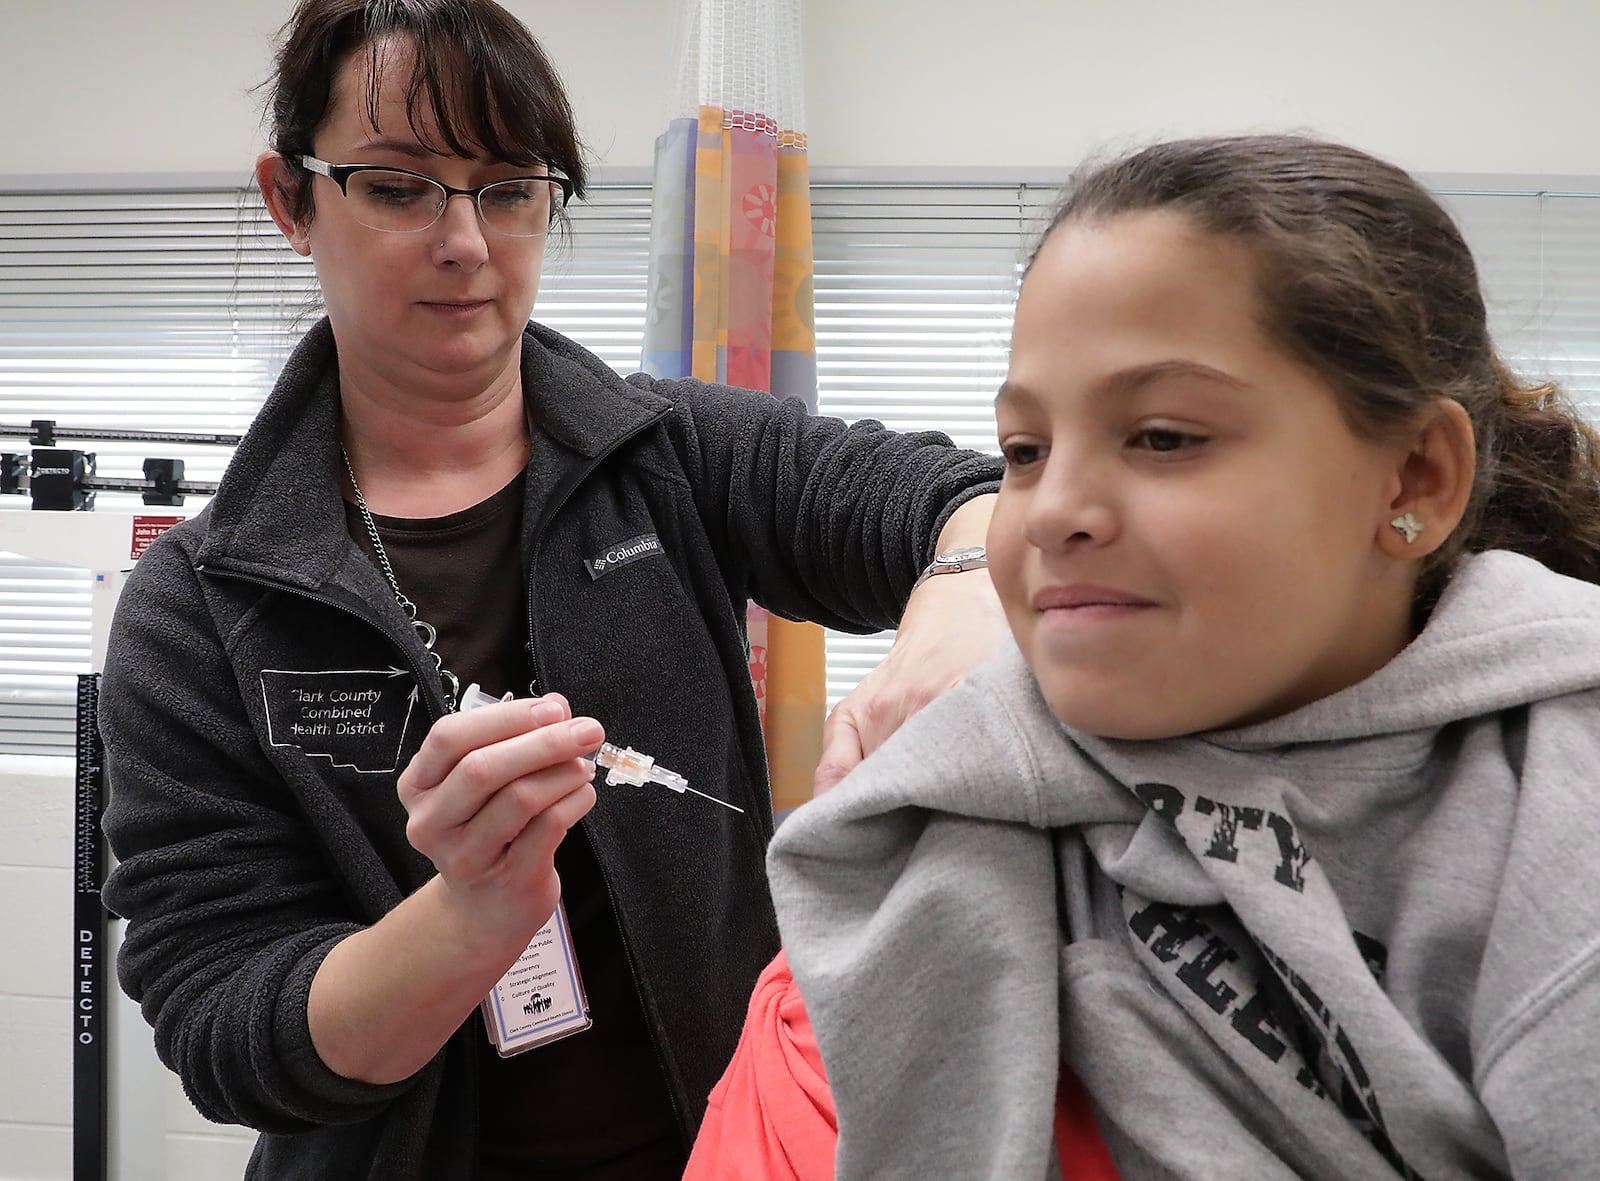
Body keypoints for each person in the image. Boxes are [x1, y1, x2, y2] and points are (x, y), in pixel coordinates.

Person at [97, 2, 1006, 1178]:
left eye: (509, 187)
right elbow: (225, 1028)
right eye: (399, 186)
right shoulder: (201, 604)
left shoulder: (671, 453)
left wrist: (965, 593)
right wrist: (469, 913)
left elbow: (962, 494)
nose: (466, 242)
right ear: (292, 200)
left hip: (725, 1147)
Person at [760, 134, 1600, 1180]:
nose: (1054, 507)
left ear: (1414, 479)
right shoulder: (884, 888)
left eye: (1160, 436)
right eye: (1024, 451)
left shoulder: (1560, 803)